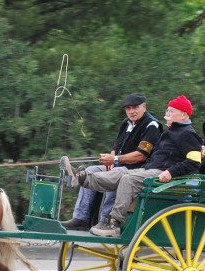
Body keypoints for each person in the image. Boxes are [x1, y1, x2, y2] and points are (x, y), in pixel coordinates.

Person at [61, 95, 203, 237]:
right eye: (167, 111)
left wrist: (171, 172)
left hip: (163, 175)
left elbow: (194, 162)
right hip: (150, 169)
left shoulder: (187, 134)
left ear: (184, 114)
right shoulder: (172, 132)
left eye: (171, 111)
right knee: (119, 173)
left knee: (127, 180)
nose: (167, 114)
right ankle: (81, 179)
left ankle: (114, 222)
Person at [60, 93, 163, 230]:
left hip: (137, 169)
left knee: (114, 175)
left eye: (135, 107)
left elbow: (141, 155)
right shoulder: (126, 123)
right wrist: (111, 160)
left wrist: (114, 160)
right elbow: (116, 147)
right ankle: (81, 218)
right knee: (91, 170)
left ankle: (105, 221)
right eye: (128, 108)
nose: (131, 111)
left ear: (144, 106)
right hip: (119, 165)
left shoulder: (152, 125)